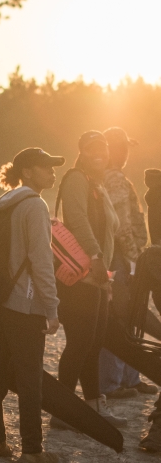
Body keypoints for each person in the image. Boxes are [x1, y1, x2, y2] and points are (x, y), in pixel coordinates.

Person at [0, 148, 63, 463]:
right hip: (24, 303)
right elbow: (42, 262)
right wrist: (52, 308)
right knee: (30, 376)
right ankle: (31, 449)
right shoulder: (34, 206)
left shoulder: (7, 202)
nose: (52, 172)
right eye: (45, 167)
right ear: (27, 172)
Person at [53, 130, 126, 428]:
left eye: (103, 148)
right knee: (79, 343)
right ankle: (62, 411)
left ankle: (94, 405)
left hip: (96, 276)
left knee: (93, 343)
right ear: (82, 151)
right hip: (80, 275)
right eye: (93, 148)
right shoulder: (76, 179)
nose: (100, 153)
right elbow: (77, 219)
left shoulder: (97, 183)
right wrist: (96, 257)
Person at [98, 127, 155, 399]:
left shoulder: (106, 178)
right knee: (122, 318)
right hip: (123, 258)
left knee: (130, 317)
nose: (124, 152)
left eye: (126, 147)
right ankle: (112, 383)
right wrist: (134, 261)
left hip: (121, 256)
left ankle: (130, 378)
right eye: (120, 147)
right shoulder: (116, 179)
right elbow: (121, 225)